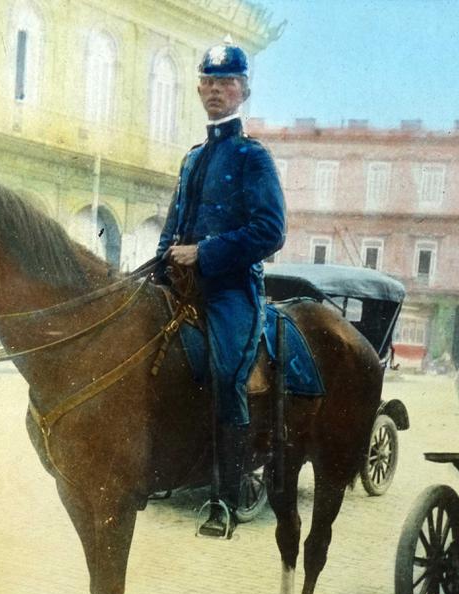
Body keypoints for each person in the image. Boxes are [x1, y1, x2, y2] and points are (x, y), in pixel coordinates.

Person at [156, 41, 286, 537]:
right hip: (180, 284)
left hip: (231, 289)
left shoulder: (253, 157)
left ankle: (225, 500)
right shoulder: (192, 159)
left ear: (243, 91)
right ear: (198, 89)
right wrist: (163, 263)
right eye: (209, 82)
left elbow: (270, 231)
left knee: (228, 372)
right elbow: (172, 229)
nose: (217, 90)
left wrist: (204, 253)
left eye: (227, 82)